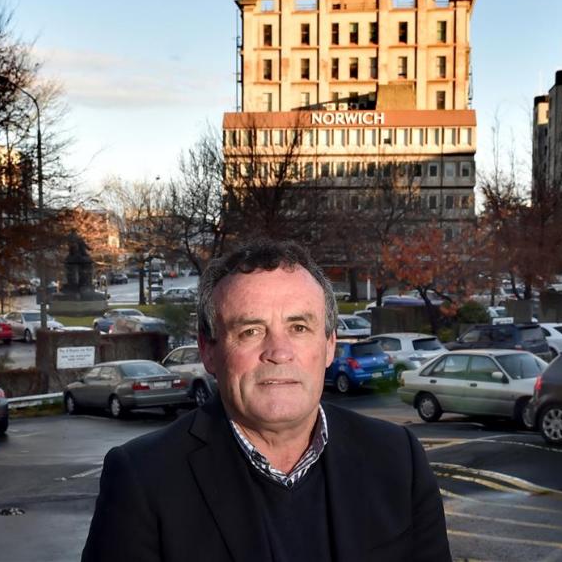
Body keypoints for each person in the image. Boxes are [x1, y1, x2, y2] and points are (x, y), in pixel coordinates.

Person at [82, 239, 451, 562]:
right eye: (251, 330)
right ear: (209, 351)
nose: (278, 352)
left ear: (329, 346)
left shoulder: (397, 458)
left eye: (299, 328)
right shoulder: (143, 478)